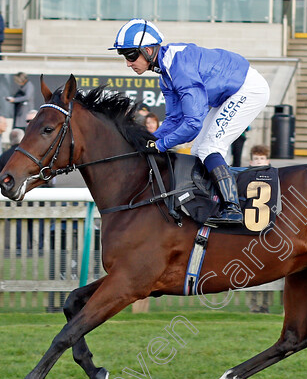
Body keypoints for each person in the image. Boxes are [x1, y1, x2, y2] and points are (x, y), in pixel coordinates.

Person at [111, 18, 270, 226]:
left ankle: (232, 208)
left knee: (211, 147)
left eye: (131, 55)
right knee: (197, 151)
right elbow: (175, 119)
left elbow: (193, 124)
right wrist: (147, 141)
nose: (128, 63)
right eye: (124, 56)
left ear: (149, 50)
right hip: (228, 94)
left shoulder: (179, 69)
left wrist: (160, 145)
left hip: (248, 90)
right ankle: (210, 201)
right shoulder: (165, 74)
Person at [246, 145, 273, 313]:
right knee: (250, 266)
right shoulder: (245, 177)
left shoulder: (273, 178)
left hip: (267, 226)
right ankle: (253, 304)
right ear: (251, 161)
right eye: (256, 159)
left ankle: (265, 303)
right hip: (250, 226)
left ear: (267, 161)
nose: (259, 161)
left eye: (262, 159)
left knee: (268, 266)